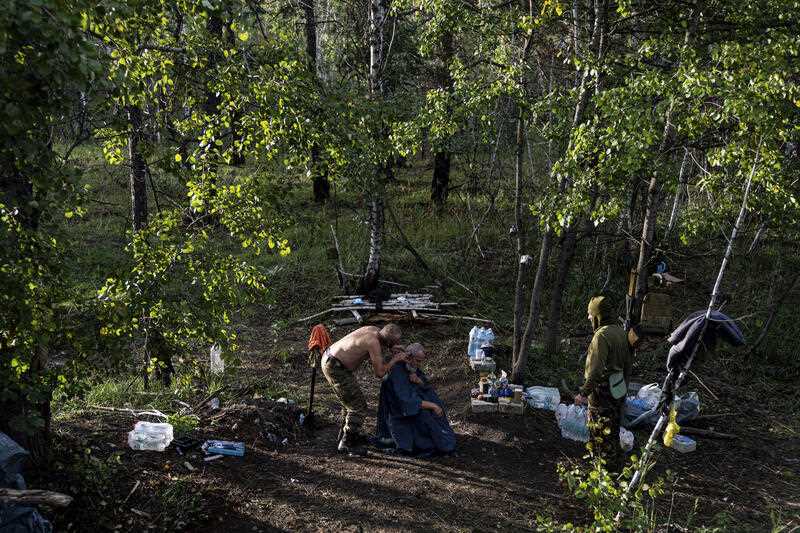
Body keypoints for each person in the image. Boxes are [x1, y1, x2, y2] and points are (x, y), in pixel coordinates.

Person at [321, 323, 406, 455]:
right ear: (388, 340)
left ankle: (348, 435)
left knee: (349, 401)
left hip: (332, 358)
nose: (397, 343)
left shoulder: (375, 330)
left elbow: (378, 344)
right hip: (334, 367)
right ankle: (346, 444)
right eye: (394, 342)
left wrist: (392, 347)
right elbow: (380, 373)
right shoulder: (373, 343)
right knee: (358, 406)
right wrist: (394, 359)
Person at [574, 295, 632, 471]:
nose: (589, 318)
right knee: (612, 434)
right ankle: (614, 471)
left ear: (598, 315)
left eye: (591, 314)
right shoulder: (621, 332)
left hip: (602, 395)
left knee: (598, 435)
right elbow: (628, 366)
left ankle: (599, 474)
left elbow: (596, 370)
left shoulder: (602, 336)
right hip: (618, 390)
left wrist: (583, 392)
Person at [375, 343, 456, 456]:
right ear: (409, 357)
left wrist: (419, 381)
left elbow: (425, 386)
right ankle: (433, 444)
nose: (419, 364)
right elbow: (406, 401)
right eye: (417, 361)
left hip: (412, 404)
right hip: (400, 412)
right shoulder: (397, 371)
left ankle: (443, 440)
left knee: (436, 408)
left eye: (420, 361)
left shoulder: (411, 367)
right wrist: (433, 406)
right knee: (426, 414)